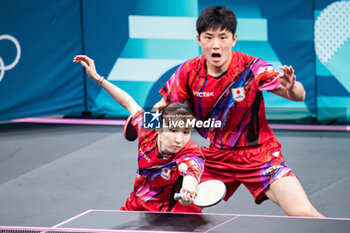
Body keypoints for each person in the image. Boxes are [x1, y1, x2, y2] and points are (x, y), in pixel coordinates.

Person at [155, 6, 324, 217]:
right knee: (170, 208)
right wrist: (145, 123)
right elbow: (162, 106)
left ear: (234, 39)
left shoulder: (252, 68)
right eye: (209, 37)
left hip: (260, 155)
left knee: (303, 214)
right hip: (215, 157)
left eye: (223, 37)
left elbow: (299, 95)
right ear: (199, 40)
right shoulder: (189, 72)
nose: (216, 44)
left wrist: (291, 87)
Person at [73, 55, 204, 213]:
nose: (179, 139)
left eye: (186, 132)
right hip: (138, 207)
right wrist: (97, 78)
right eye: (174, 131)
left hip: (175, 214)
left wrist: (188, 189)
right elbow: (129, 102)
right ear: (159, 128)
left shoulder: (192, 152)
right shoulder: (147, 127)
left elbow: (192, 172)